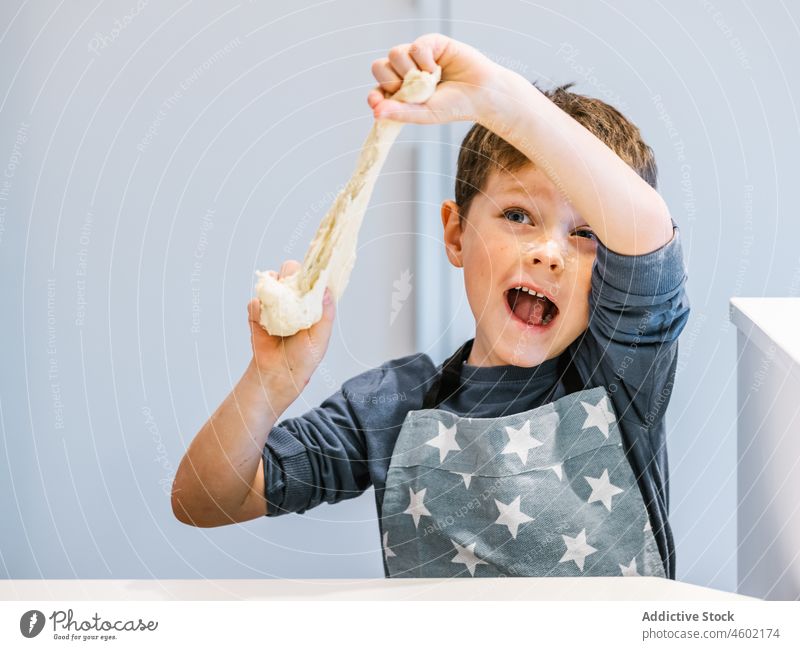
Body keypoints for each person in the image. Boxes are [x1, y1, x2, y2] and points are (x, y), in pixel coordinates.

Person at [172, 33, 690, 580]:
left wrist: (502, 101)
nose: (548, 254)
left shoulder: (620, 378)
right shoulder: (393, 408)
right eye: (518, 215)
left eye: (585, 232)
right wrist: (268, 382)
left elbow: (645, 229)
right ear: (456, 232)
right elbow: (204, 500)